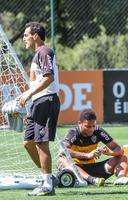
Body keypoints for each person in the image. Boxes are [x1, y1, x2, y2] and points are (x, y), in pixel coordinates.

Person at [18, 22, 60, 196]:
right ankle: (48, 177)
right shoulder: (37, 55)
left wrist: (28, 94)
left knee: (41, 143)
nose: (24, 38)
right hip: (38, 102)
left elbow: (49, 78)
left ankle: (47, 184)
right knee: (28, 143)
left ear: (35, 35)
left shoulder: (44, 51)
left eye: (26, 35)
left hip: (47, 100)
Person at [57, 109, 128, 186]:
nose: (91, 129)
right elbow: (63, 151)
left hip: (93, 169)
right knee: (62, 159)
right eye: (87, 126)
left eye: (93, 126)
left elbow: (119, 149)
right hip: (76, 171)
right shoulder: (73, 133)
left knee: (122, 157)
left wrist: (109, 153)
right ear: (79, 123)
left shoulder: (98, 131)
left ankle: (121, 178)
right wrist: (87, 155)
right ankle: (92, 180)